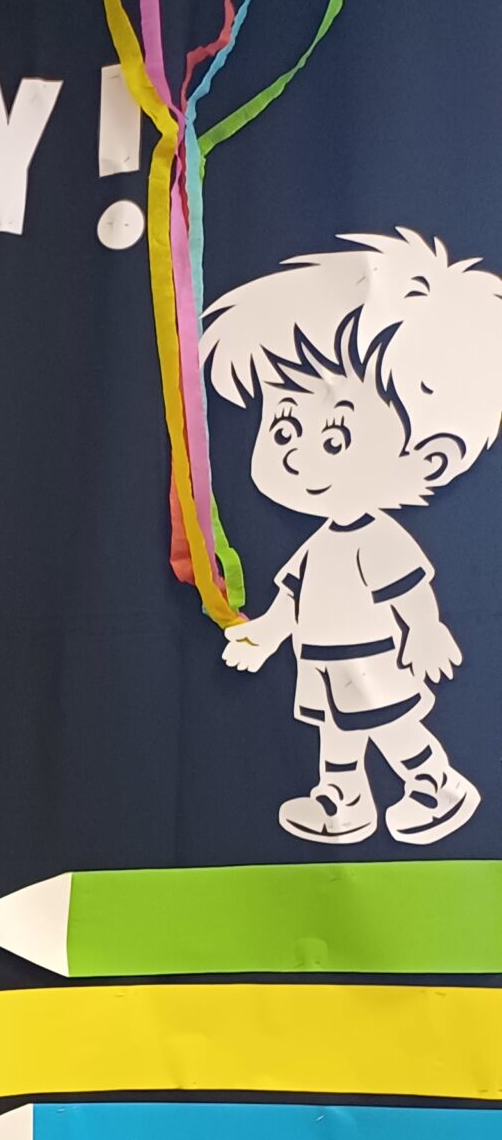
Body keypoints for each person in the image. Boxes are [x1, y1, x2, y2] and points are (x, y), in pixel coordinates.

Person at [203, 229, 502, 845]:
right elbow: (294, 596)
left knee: (393, 729)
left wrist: (423, 630)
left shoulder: (376, 539)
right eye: (283, 425)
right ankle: (343, 803)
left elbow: (408, 590)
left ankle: (436, 787)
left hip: (371, 659)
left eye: (335, 437)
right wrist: (266, 634)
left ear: (431, 458)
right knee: (335, 736)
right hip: (322, 659)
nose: (295, 456)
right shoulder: (320, 544)